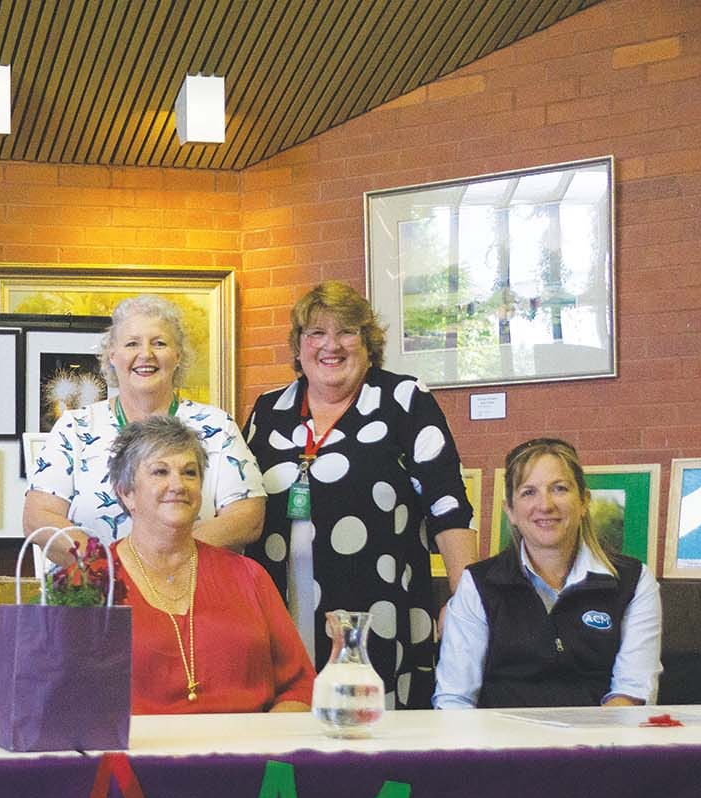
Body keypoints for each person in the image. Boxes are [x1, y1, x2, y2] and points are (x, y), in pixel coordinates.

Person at [244, 281, 477, 709]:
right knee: (284, 727)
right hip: (279, 608)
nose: (331, 345)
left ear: (368, 343)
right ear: (298, 346)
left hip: (376, 612)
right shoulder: (267, 410)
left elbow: (448, 506)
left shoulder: (403, 399)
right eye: (316, 333)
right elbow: (244, 504)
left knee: (367, 730)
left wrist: (466, 603)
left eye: (347, 332)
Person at [25, 294, 265, 553]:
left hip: (191, 577)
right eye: (132, 344)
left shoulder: (217, 426)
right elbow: (39, 517)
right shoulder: (75, 427)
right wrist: (109, 565)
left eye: (159, 343)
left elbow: (247, 517)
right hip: (97, 575)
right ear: (112, 356)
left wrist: (164, 560)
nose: (146, 354)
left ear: (178, 355)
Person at [106, 416, 314, 714]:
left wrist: (266, 742)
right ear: (126, 492)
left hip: (248, 742)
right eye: (160, 471)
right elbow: (65, 698)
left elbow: (300, 686)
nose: (178, 485)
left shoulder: (249, 576)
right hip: (138, 744)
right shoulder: (89, 581)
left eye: (189, 473)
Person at [434, 437, 661, 709]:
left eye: (559, 488)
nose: (545, 505)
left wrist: (590, 736)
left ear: (584, 501)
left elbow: (631, 693)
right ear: (510, 511)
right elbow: (455, 699)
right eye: (528, 492)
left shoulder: (634, 581)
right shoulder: (477, 584)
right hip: (500, 737)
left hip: (601, 734)